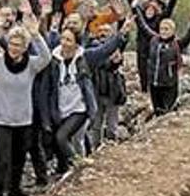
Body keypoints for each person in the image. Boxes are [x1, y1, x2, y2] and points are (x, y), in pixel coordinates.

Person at [0, 13, 51, 196]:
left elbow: (47, 57)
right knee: (2, 159)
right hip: (1, 119)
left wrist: (36, 35)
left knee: (19, 157)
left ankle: (14, 189)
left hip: (23, 119)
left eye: (18, 44)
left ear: (25, 47)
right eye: (11, 43)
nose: (13, 48)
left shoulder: (32, 65)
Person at [44, 20, 131, 175]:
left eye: (68, 40)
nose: (64, 43)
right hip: (60, 107)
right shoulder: (54, 59)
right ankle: (63, 171)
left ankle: (80, 164)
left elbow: (105, 50)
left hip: (80, 107)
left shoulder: (85, 57)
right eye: (63, 39)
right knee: (60, 144)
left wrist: (122, 34)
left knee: (62, 137)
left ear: (76, 43)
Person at [136, 10, 190, 116]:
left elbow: (188, 38)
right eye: (161, 29)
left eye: (166, 29)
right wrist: (135, 9)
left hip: (169, 85)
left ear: (173, 31)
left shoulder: (176, 44)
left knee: (167, 112)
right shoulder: (153, 40)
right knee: (157, 111)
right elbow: (143, 26)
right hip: (154, 84)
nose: (163, 31)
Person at [124, 0, 176, 93]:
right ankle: (144, 90)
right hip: (142, 48)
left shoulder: (159, 19)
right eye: (148, 10)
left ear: (155, 11)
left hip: (154, 48)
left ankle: (154, 88)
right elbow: (133, 6)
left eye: (152, 10)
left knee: (153, 68)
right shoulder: (141, 19)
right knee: (142, 69)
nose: (149, 12)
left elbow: (168, 11)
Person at [89, 22, 128, 146]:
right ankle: (95, 148)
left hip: (113, 90)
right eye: (101, 30)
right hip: (97, 90)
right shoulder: (93, 48)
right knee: (96, 124)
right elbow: (102, 64)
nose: (103, 33)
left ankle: (112, 148)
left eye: (106, 30)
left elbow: (116, 61)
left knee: (112, 124)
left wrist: (116, 61)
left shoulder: (116, 46)